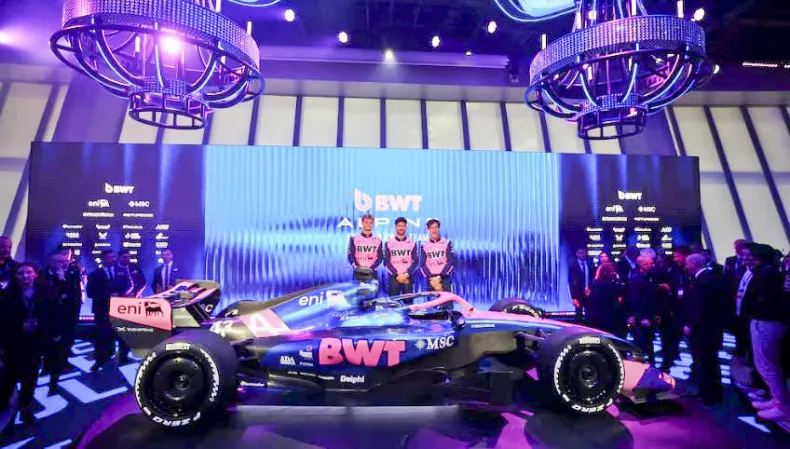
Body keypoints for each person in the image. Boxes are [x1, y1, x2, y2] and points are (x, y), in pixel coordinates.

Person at [0, 263, 54, 427]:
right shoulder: (6, 295)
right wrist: (19, 327)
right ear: (15, 276)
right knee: (8, 378)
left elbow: (50, 316)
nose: (25, 276)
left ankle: (25, 407)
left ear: (35, 274)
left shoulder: (44, 293)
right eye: (21, 273)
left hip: (35, 344)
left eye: (29, 272)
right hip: (13, 343)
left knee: (30, 379)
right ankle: (3, 404)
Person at [740, 243, 789, 421]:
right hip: (767, 321)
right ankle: (778, 401)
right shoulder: (769, 271)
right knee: (770, 364)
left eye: (750, 254)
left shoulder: (766, 273)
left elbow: (763, 301)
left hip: (765, 322)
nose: (746, 257)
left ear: (759, 256)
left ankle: (783, 407)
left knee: (766, 365)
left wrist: (750, 309)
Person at [682, 253, 729, 405]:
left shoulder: (702, 281)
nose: (686, 266)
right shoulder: (711, 277)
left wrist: (691, 325)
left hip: (703, 329)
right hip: (712, 327)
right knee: (711, 361)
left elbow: (700, 307)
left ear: (694, 264)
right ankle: (713, 392)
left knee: (705, 361)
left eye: (687, 263)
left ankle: (708, 395)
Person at [37, 250, 81, 395]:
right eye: (59, 262)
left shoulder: (70, 276)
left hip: (65, 318)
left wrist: (62, 281)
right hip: (45, 318)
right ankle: (46, 367)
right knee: (46, 345)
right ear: (50, 262)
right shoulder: (41, 275)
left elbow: (74, 295)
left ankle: (57, 374)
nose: (63, 264)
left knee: (62, 345)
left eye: (64, 262)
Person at [86, 249, 131, 370]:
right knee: (101, 337)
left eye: (113, 257)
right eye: (109, 257)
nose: (113, 259)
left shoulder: (121, 272)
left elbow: (127, 287)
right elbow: (90, 293)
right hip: (102, 310)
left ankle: (123, 357)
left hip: (119, 309)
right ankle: (100, 360)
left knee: (122, 334)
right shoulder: (94, 275)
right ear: (103, 259)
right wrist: (108, 296)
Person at [659, 246, 691, 372]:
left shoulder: (691, 271)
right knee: (670, 339)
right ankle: (667, 364)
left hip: (689, 313)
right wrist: (670, 290)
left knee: (692, 344)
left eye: (677, 256)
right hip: (675, 311)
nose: (675, 259)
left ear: (685, 256)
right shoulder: (675, 270)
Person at [627, 255, 659, 364]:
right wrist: (641, 317)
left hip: (649, 315)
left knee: (649, 342)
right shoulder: (636, 278)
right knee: (641, 343)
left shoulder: (649, 277)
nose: (652, 265)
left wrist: (654, 314)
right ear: (643, 265)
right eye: (650, 263)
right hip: (641, 318)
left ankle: (651, 363)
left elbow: (651, 297)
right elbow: (635, 299)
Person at [587, 263, 625, 337]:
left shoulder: (594, 283)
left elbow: (590, 298)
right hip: (609, 315)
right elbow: (615, 301)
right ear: (607, 272)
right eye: (612, 271)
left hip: (595, 314)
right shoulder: (612, 285)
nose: (613, 273)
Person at [383, 218, 418, 296]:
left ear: (406, 227)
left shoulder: (412, 243)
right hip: (394, 277)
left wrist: (406, 274)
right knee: (393, 301)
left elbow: (416, 261)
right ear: (395, 227)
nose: (401, 228)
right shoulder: (389, 243)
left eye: (403, 226)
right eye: (399, 225)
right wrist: (396, 274)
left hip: (407, 276)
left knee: (408, 301)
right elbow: (386, 262)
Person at [421, 219, 455, 292]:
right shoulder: (424, 245)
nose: (434, 230)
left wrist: (439, 278)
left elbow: (451, 262)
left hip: (444, 279)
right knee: (431, 300)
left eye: (436, 227)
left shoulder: (447, 243)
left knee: (447, 299)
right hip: (431, 280)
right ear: (428, 229)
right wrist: (433, 279)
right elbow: (422, 265)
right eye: (431, 228)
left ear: (439, 228)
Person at [347, 214, 383, 282]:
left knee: (372, 289)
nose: (368, 224)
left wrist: (372, 268)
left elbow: (380, 257)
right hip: (358, 272)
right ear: (362, 223)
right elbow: (350, 255)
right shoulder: (354, 238)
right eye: (366, 222)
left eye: (370, 222)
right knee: (357, 289)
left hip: (372, 272)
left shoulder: (378, 240)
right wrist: (358, 267)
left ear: (373, 224)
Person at [568, 248, 593, 322]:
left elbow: (593, 280)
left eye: (584, 253)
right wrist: (573, 297)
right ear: (577, 254)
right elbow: (571, 283)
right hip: (578, 295)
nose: (583, 255)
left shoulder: (590, 265)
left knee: (590, 315)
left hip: (589, 294)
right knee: (578, 315)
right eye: (580, 253)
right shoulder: (573, 266)